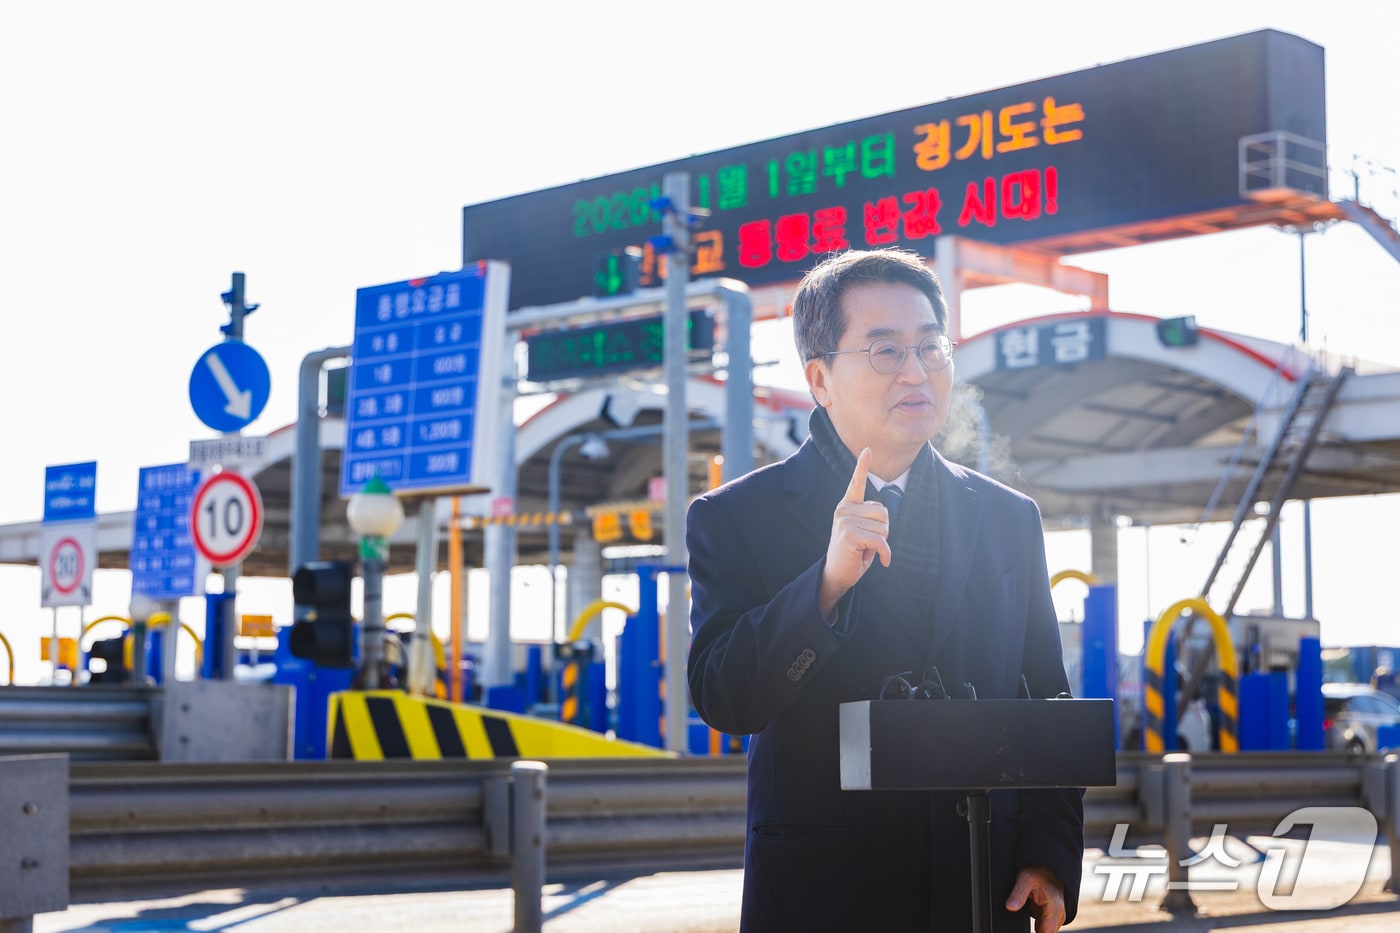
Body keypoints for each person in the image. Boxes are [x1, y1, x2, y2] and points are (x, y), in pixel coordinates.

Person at [686, 248, 1085, 932]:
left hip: (981, 889)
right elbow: (725, 698)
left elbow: (1045, 697)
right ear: (819, 378)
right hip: (826, 896)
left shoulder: (1007, 518)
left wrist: (1049, 856)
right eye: (884, 350)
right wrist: (826, 585)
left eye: (931, 346)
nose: (916, 370)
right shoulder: (736, 516)